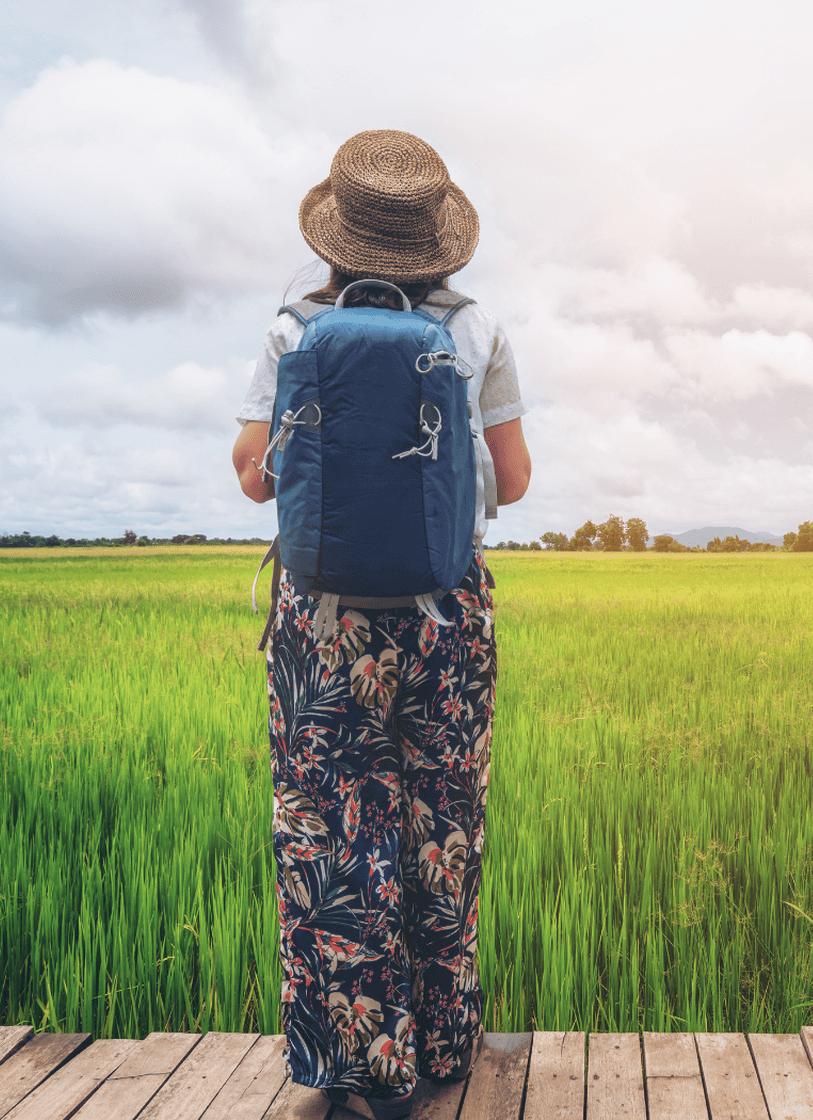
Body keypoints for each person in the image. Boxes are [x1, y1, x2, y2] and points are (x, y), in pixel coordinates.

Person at [229, 130, 531, 1120]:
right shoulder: (476, 328)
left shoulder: (294, 327)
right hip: (447, 617)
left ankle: (367, 1073)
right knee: (441, 826)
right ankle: (445, 1044)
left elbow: (251, 475)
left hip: (323, 623)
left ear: (338, 232)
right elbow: (516, 481)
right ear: (436, 240)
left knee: (334, 836)